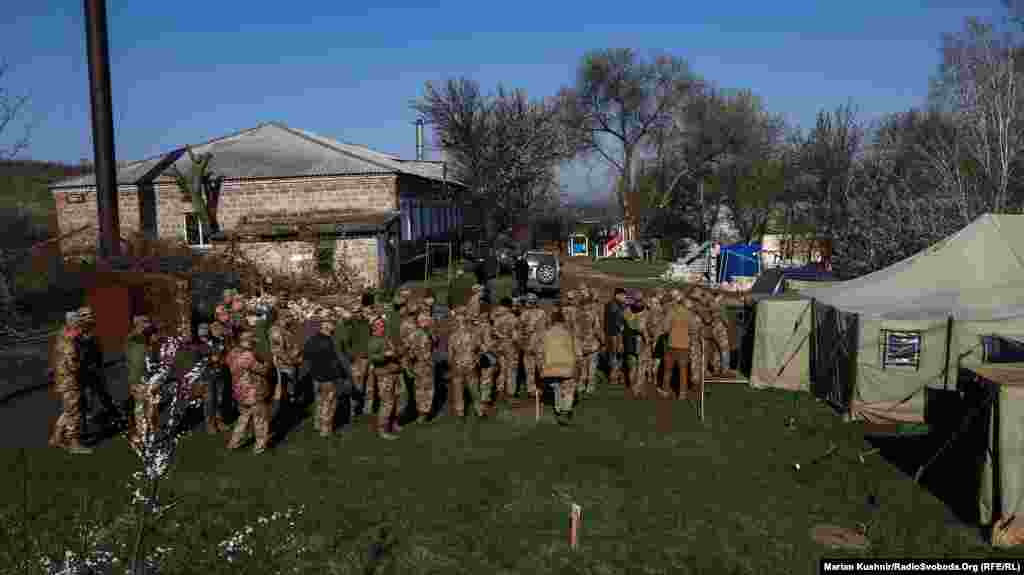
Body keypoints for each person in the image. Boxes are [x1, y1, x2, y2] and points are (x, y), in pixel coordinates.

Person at [49, 308, 96, 454]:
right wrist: (83, 368)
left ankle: (56, 437)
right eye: (78, 323)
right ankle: (73, 442)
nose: (80, 326)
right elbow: (72, 363)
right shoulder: (70, 341)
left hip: (63, 379)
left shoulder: (62, 334)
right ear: (73, 323)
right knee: (74, 413)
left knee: (68, 410)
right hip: (70, 381)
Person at [302, 312, 351, 438]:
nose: (334, 327)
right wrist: (342, 375)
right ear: (328, 327)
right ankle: (326, 430)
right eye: (332, 324)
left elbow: (306, 357)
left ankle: (318, 424)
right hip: (329, 378)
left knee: (319, 402)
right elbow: (337, 361)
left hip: (316, 377)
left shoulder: (311, 340)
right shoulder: (331, 342)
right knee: (329, 404)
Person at [226, 330, 272, 454]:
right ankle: (260, 446)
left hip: (239, 391)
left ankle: (234, 442)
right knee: (260, 419)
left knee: (243, 417)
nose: (254, 343)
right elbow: (263, 370)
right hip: (253, 392)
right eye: (252, 341)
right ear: (248, 341)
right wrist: (268, 362)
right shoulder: (247, 356)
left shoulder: (232, 353)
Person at [540, 309, 576, 425]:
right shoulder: (569, 334)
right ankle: (567, 409)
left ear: (552, 321)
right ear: (563, 321)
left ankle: (558, 409)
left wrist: (541, 366)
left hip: (551, 366)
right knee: (568, 388)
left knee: (557, 389)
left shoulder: (545, 334)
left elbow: (540, 352)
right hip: (567, 365)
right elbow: (578, 351)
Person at [368, 316, 402, 439]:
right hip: (384, 374)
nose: (381, 327)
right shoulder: (373, 341)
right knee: (387, 402)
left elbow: (395, 351)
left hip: (394, 373)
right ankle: (382, 429)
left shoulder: (386, 338)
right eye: (378, 325)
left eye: (382, 325)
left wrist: (397, 352)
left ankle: (393, 423)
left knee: (396, 400)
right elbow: (372, 357)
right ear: (373, 327)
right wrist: (385, 355)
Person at [447, 309, 485, 419]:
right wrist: (477, 359)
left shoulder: (452, 337)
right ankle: (479, 410)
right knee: (474, 389)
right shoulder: (473, 335)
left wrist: (452, 365)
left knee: (458, 390)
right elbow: (482, 349)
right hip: (470, 364)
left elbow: (450, 356)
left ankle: (460, 411)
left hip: (458, 365)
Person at [661, 292, 697, 399]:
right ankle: (682, 394)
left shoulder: (671, 312)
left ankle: (665, 390)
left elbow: (665, 328)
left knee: (667, 370)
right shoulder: (689, 314)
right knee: (683, 371)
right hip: (684, 346)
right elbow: (694, 330)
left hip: (671, 345)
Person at [407, 311, 436, 424]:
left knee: (423, 389)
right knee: (424, 390)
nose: (429, 323)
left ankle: (422, 413)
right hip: (422, 365)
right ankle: (422, 414)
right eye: (427, 321)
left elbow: (433, 343)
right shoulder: (418, 335)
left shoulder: (426, 333)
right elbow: (408, 352)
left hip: (423, 365)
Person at [519, 293, 548, 400]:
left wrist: (522, 343)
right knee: (541, 368)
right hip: (540, 345)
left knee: (529, 369)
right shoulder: (542, 313)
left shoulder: (524, 314)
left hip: (529, 345)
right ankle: (543, 387)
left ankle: (531, 389)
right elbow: (547, 327)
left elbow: (520, 331)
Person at [491, 298, 520, 402]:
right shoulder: (512, 318)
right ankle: (510, 394)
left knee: (502, 368)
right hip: (510, 345)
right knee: (512, 369)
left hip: (498, 345)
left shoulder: (495, 316)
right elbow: (516, 336)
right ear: (509, 306)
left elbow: (493, 331)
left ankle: (500, 390)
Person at [604, 287, 627, 387]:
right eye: (623, 295)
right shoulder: (615, 305)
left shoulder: (611, 304)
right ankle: (614, 377)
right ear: (617, 295)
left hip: (610, 334)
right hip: (616, 334)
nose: (624, 297)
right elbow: (618, 320)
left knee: (616, 355)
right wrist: (622, 327)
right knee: (616, 355)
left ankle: (616, 376)